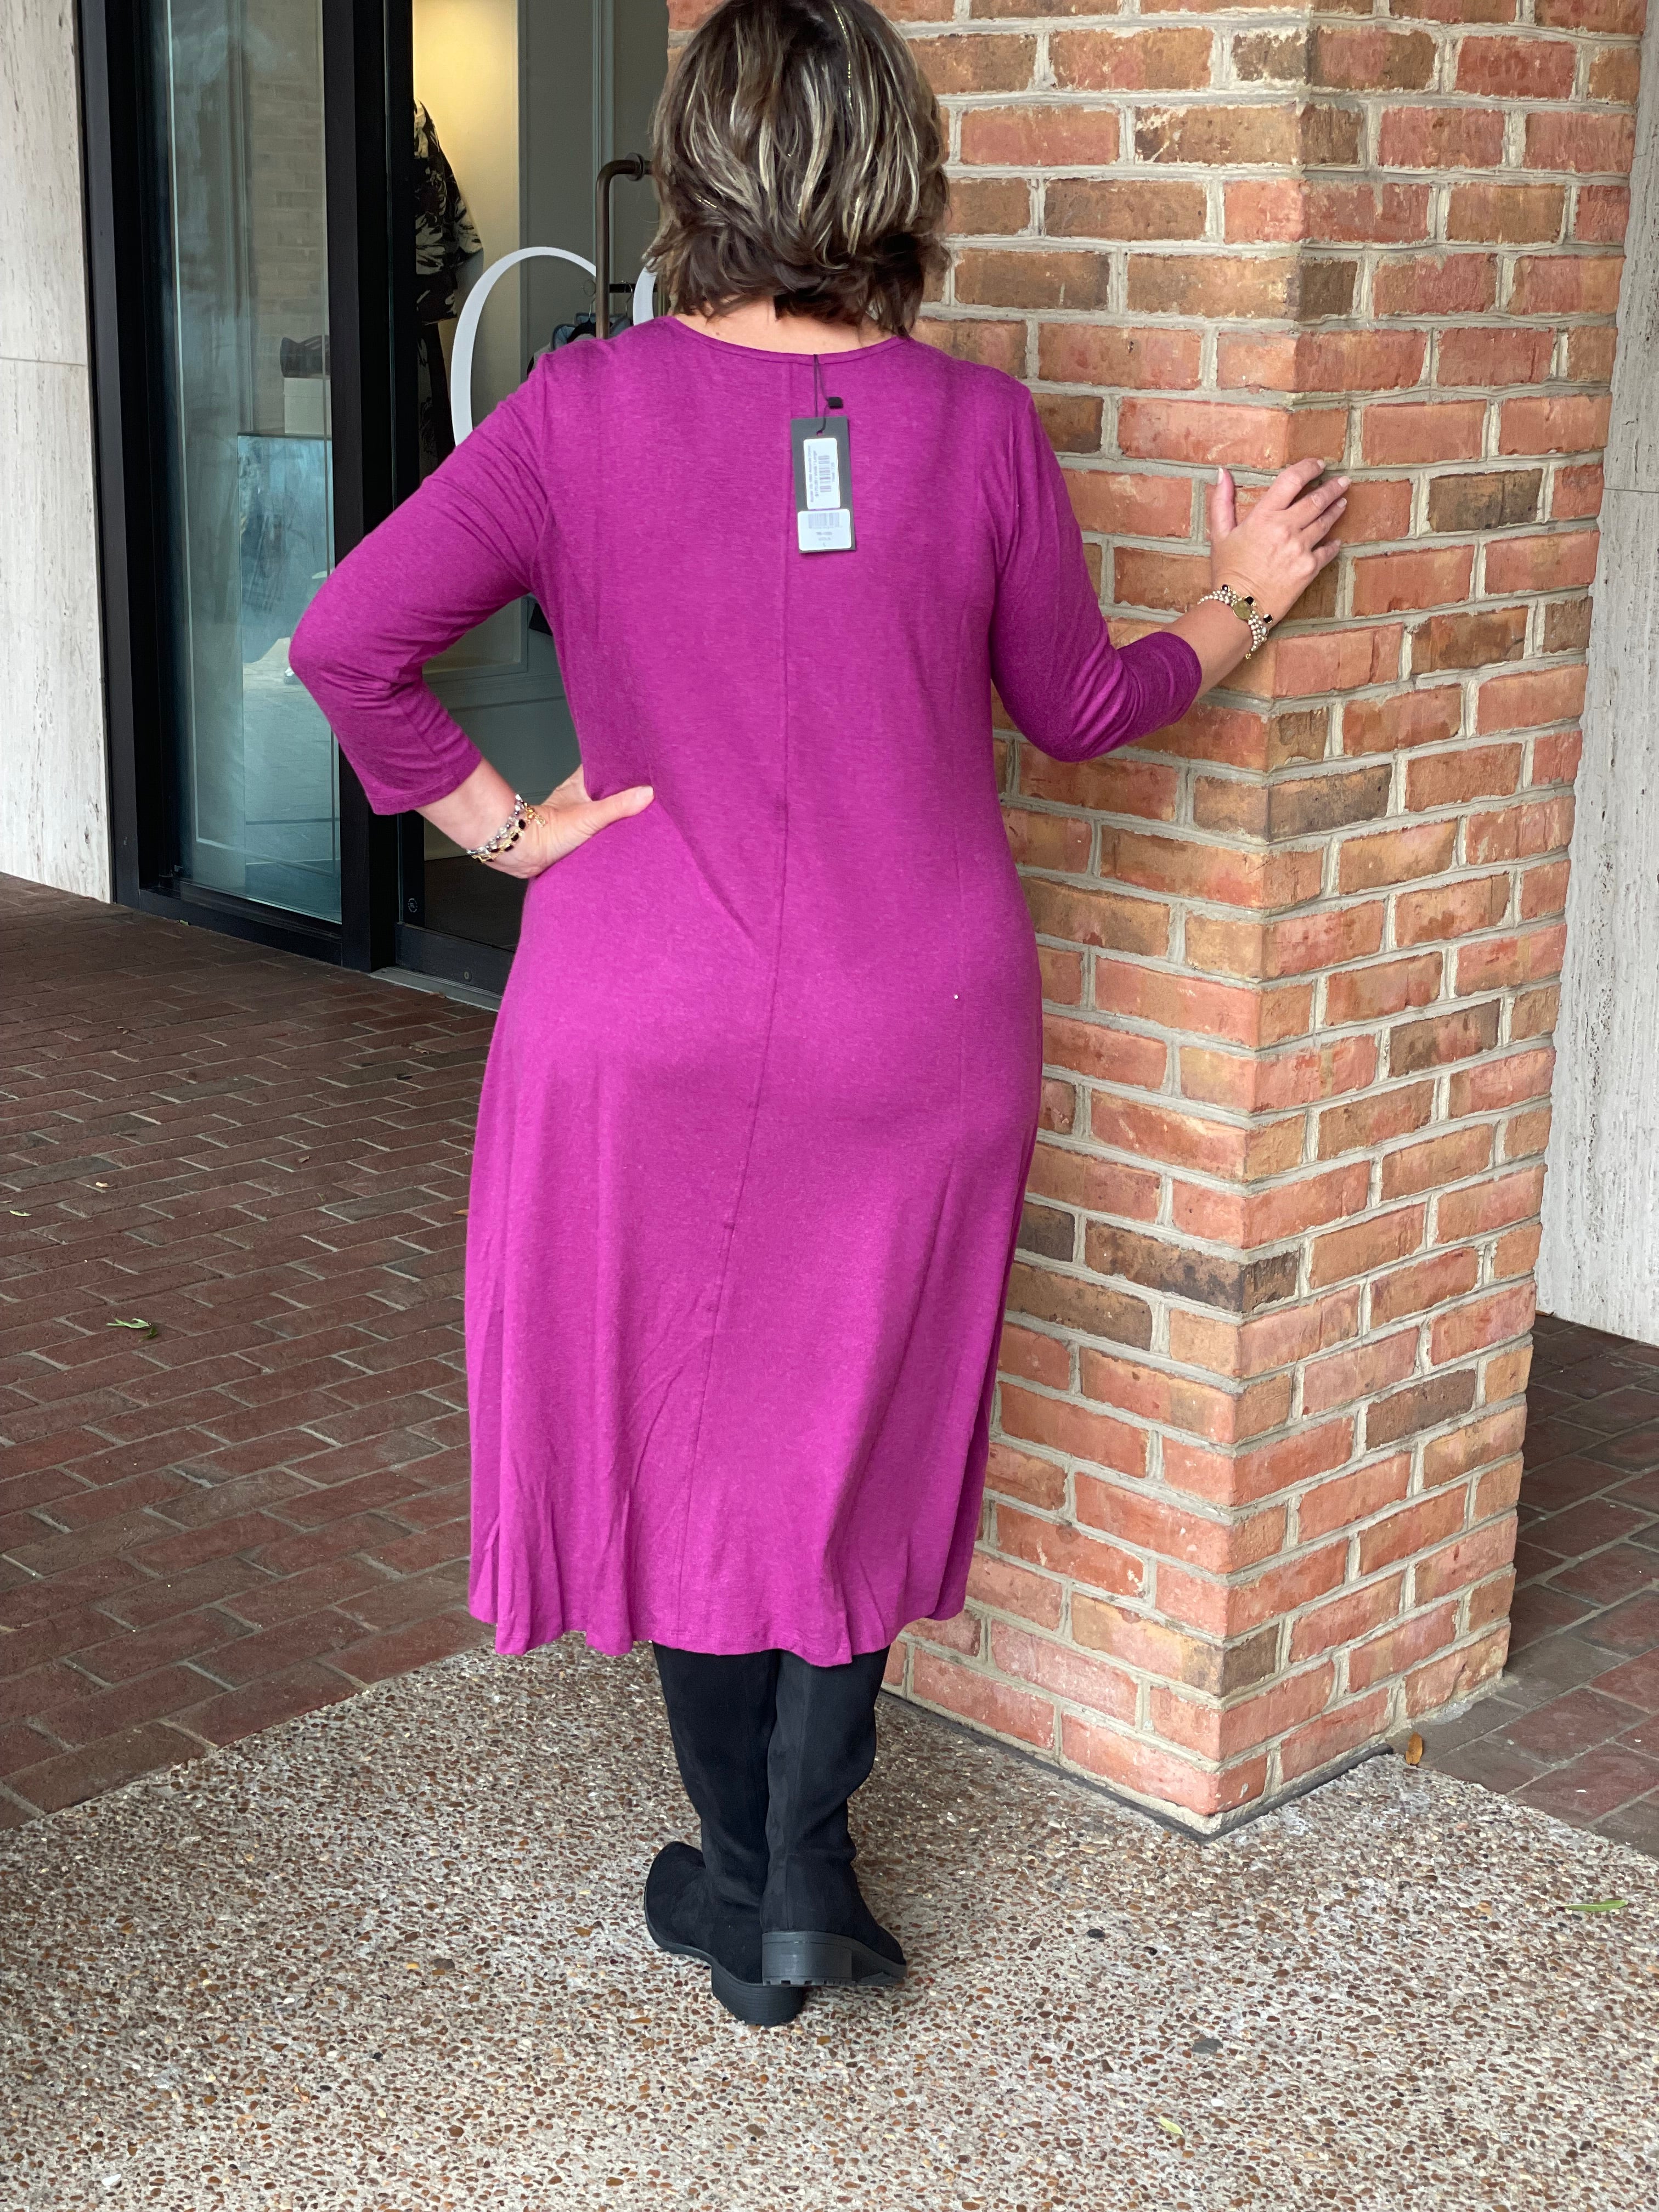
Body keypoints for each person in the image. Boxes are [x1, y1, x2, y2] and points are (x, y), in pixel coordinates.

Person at [290, 0, 1344, 2031]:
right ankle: (805, 1876)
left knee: (689, 1439)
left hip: (639, 1011)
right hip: (920, 1025)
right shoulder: (978, 429)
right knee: (860, 1427)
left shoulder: (582, 410)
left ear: (699, 169)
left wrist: (508, 831)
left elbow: (351, 645)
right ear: (893, 175)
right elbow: (1083, 709)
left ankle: (748, 1884)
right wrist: (1246, 597)